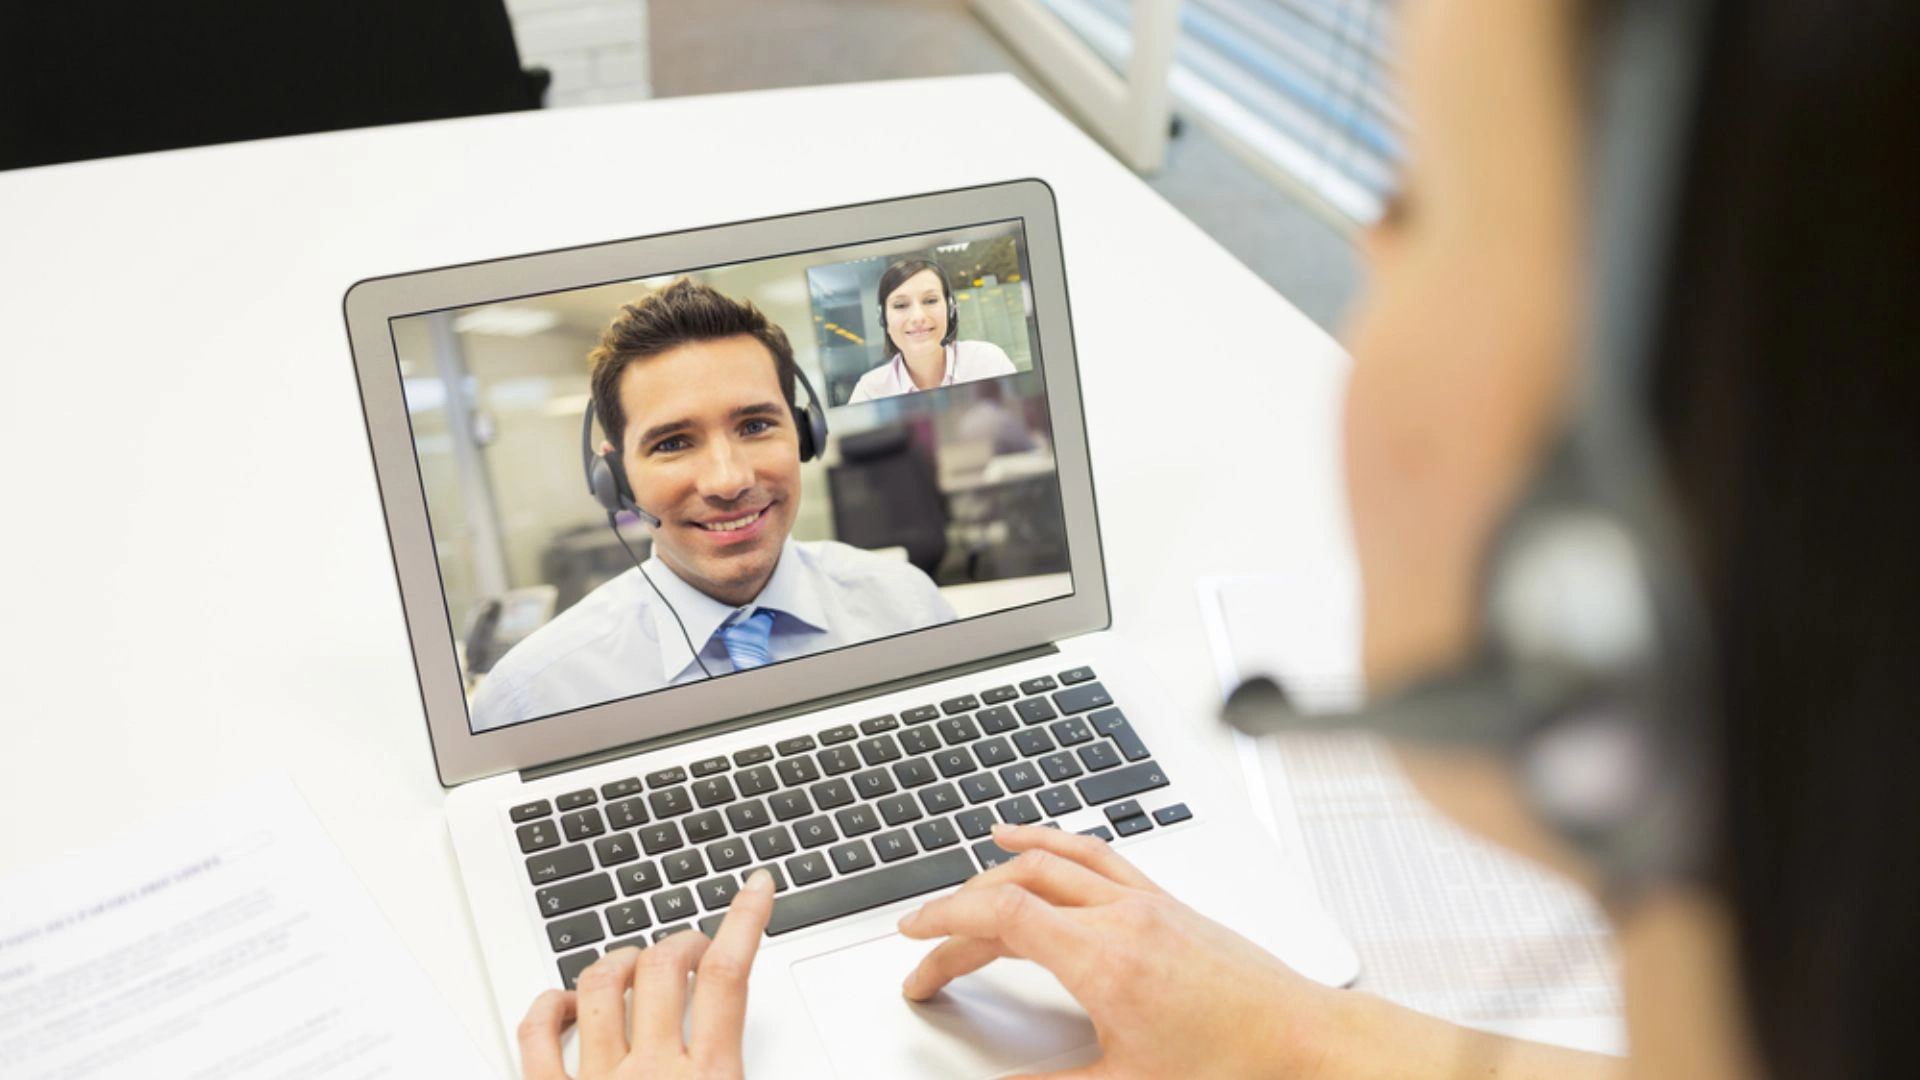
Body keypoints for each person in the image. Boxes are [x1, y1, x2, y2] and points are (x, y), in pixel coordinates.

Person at [514, 0, 1919, 1076]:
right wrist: (1296, 1031)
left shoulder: (896, 589)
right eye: (671, 443)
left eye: (1421, 198)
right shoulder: (540, 684)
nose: (1367, 261)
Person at [470, 280, 957, 731]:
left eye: (755, 426)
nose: (728, 481)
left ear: (805, 434)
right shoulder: (533, 697)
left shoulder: (907, 608)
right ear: (615, 478)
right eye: (673, 443)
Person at [844, 258, 1017, 404]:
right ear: (883, 318)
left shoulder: (988, 362)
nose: (918, 317)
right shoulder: (870, 391)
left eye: (930, 300)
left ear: (950, 309)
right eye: (901, 305)